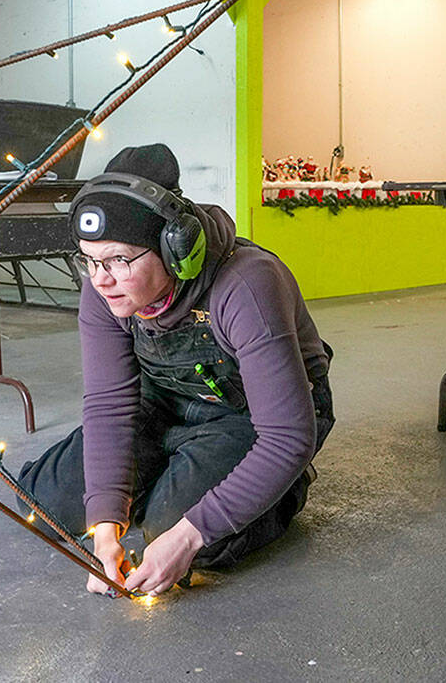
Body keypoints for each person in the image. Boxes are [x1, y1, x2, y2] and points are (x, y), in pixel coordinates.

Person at [18, 143, 334, 595]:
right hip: (164, 399)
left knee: (186, 539)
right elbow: (110, 404)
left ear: (175, 249)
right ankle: (174, 476)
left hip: (250, 415)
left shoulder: (246, 284)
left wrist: (187, 535)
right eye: (89, 260)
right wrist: (106, 527)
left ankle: (284, 489)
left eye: (118, 260)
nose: (100, 278)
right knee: (46, 504)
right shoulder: (104, 290)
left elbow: (287, 435)